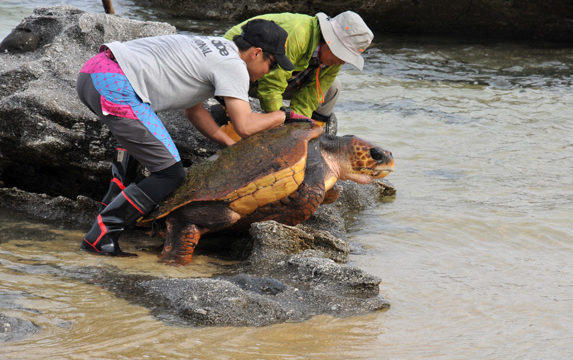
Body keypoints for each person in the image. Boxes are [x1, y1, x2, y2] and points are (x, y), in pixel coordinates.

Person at [76, 19, 303, 257]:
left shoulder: (215, 46)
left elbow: (193, 110)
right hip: (116, 85)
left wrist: (229, 144)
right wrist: (283, 116)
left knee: (136, 147)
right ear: (257, 53)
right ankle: (101, 235)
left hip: (93, 72)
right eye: (273, 65)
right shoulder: (234, 65)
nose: (270, 73)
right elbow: (245, 125)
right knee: (170, 173)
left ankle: (107, 212)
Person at [223, 11, 374, 134]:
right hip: (242, 65)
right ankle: (231, 121)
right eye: (343, 55)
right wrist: (279, 128)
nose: (343, 61)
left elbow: (309, 98)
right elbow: (271, 86)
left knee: (333, 87)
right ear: (329, 41)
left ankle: (314, 133)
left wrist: (296, 129)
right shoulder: (298, 35)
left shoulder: (335, 59)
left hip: (276, 74)